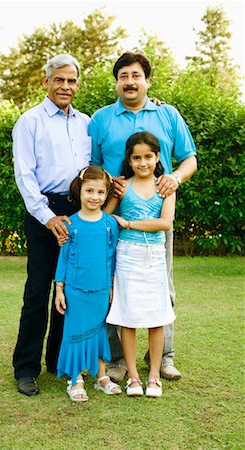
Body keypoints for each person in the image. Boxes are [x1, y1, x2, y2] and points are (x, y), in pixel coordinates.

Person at [89, 51, 197, 382]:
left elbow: (190, 158)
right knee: (115, 288)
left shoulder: (168, 115)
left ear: (147, 80)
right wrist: (108, 183)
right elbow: (90, 169)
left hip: (155, 216)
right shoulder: (101, 119)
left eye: (136, 75)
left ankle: (164, 357)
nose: (130, 81)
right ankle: (119, 360)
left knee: (162, 286)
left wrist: (175, 178)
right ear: (117, 82)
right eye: (123, 76)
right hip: (112, 219)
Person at [12, 53, 92, 396]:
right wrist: (47, 217)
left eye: (71, 80)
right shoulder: (29, 121)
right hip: (43, 211)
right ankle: (26, 368)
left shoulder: (86, 122)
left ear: (77, 84)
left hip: (78, 211)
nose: (65, 86)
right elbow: (24, 176)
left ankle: (58, 360)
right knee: (38, 291)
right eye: (58, 79)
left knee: (70, 291)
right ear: (46, 82)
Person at [105, 131, 176, 397]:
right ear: (129, 159)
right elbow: (105, 215)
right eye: (137, 158)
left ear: (157, 157)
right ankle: (133, 377)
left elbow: (164, 223)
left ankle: (154, 376)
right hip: (127, 257)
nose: (143, 163)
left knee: (157, 317)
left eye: (148, 157)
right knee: (128, 317)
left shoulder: (165, 187)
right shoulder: (123, 188)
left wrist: (130, 223)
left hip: (154, 256)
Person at [54, 166, 121, 402]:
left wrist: (112, 285)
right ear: (79, 191)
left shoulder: (110, 224)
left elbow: (112, 257)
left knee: (98, 331)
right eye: (89, 191)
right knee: (75, 332)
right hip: (75, 289)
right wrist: (59, 288)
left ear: (107, 194)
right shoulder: (70, 224)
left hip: (101, 288)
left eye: (101, 192)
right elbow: (63, 257)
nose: (95, 197)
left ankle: (101, 376)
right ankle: (75, 379)